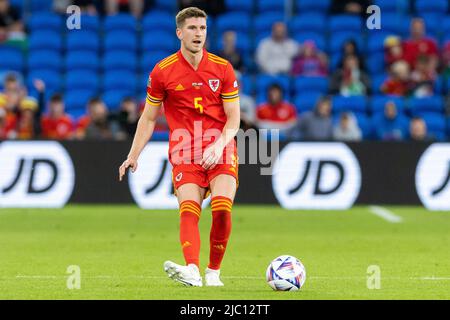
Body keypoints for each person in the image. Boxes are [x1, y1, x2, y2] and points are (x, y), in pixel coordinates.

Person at [118, 7, 240, 287]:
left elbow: (234, 118)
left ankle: (213, 273)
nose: (199, 34)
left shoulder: (222, 68)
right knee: (189, 209)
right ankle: (193, 271)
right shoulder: (163, 71)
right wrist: (133, 155)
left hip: (220, 146)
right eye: (193, 28)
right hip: (184, 151)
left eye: (203, 28)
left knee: (221, 208)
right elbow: (148, 118)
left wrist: (218, 144)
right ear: (179, 32)